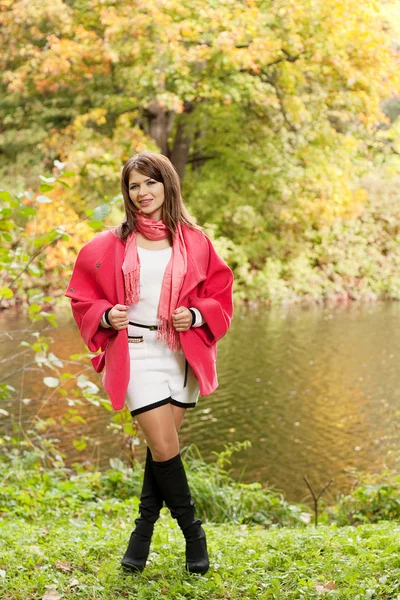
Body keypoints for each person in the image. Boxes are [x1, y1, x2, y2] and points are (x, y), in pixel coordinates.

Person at [65, 151, 234, 575]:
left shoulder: (195, 240)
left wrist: (195, 315)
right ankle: (195, 536)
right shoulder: (107, 244)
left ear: (167, 184)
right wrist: (106, 315)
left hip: (180, 355)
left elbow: (221, 294)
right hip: (136, 350)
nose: (142, 193)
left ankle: (141, 536)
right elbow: (82, 297)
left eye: (150, 183)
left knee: (163, 453)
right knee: (163, 447)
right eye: (133, 185)